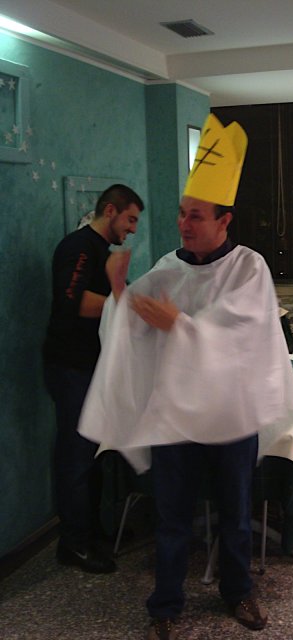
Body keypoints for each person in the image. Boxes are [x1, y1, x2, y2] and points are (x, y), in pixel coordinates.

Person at [79, 115, 293, 638]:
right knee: (172, 515)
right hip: (175, 416)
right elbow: (132, 325)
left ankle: (238, 591)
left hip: (230, 413)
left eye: (196, 215)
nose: (184, 223)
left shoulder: (248, 267)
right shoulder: (166, 267)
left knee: (236, 511)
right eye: (182, 213)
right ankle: (165, 603)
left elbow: (242, 332)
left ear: (225, 221)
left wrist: (180, 325)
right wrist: (120, 294)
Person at [43, 183, 144, 574]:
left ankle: (93, 530)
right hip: (71, 367)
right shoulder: (78, 248)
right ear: (110, 210)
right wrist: (126, 303)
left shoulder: (102, 250)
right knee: (75, 455)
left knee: (94, 453)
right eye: (130, 219)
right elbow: (72, 302)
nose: (132, 229)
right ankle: (73, 544)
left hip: (92, 366)